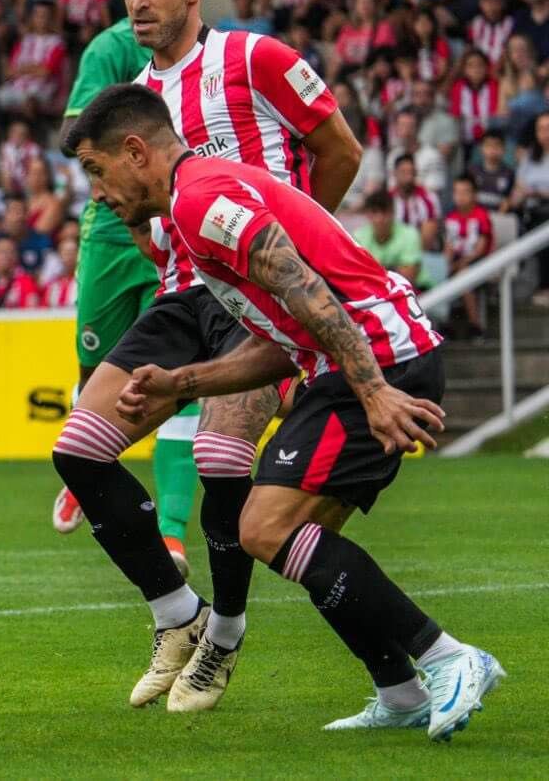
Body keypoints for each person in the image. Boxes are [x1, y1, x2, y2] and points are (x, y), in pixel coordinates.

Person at [74, 81, 505, 740]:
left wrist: (373, 390)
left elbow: (304, 287)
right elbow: (282, 340)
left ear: (135, 151)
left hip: (375, 357)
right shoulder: (197, 203)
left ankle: (449, 656)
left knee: (265, 526)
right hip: (365, 356)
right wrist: (182, 381)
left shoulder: (200, 200)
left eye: (96, 170)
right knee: (298, 535)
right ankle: (399, 690)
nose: (97, 193)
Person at [50, 0, 364, 715]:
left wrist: (293, 249)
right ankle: (176, 613)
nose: (139, 1)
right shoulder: (136, 100)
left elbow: (342, 151)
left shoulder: (255, 59)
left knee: (222, 457)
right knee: (78, 450)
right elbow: (131, 205)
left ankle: (224, 633)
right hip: (185, 291)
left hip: (256, 296)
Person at [50, 14, 200, 579]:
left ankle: (172, 530)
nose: (142, 1)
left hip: (179, 214)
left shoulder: (212, 55)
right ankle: (85, 464)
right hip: (114, 233)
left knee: (182, 375)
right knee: (95, 369)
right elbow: (74, 136)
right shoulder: (110, 48)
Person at [443, 175, 494, 336]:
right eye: (457, 192)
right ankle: (443, 324)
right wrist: (446, 265)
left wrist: (460, 264)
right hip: (457, 263)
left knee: (463, 275)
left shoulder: (481, 215)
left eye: (465, 192)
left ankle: (475, 325)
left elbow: (480, 249)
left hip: (480, 262)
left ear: (474, 195)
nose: (461, 197)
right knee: (439, 274)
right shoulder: (450, 217)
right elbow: (448, 247)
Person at [353, 190, 426, 286]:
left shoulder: (410, 234)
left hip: (416, 288)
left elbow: (408, 277)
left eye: (384, 212)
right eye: (375, 212)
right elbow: (355, 274)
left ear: (393, 213)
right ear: (367, 214)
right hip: (376, 289)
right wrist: (394, 269)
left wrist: (371, 270)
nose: (380, 218)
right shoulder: (358, 236)